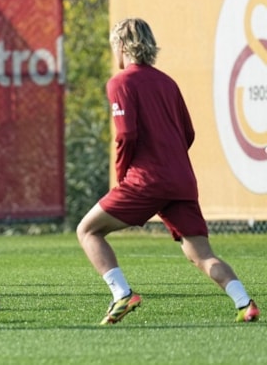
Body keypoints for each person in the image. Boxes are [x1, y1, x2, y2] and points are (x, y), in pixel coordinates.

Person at [76, 18, 259, 325]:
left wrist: (124, 174)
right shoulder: (167, 82)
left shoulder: (120, 83)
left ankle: (122, 294)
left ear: (121, 46)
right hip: (181, 180)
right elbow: (188, 133)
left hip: (146, 180)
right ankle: (245, 303)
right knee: (200, 253)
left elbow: (126, 136)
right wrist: (170, 162)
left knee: (88, 230)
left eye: (113, 47)